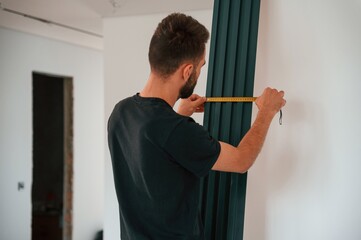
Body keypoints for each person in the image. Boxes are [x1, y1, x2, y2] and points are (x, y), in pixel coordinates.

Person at [107, 13, 286, 240]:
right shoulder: (177, 131)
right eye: (201, 66)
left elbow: (155, 152)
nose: (200, 72)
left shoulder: (120, 113)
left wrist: (178, 114)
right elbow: (242, 160)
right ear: (187, 71)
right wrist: (267, 112)